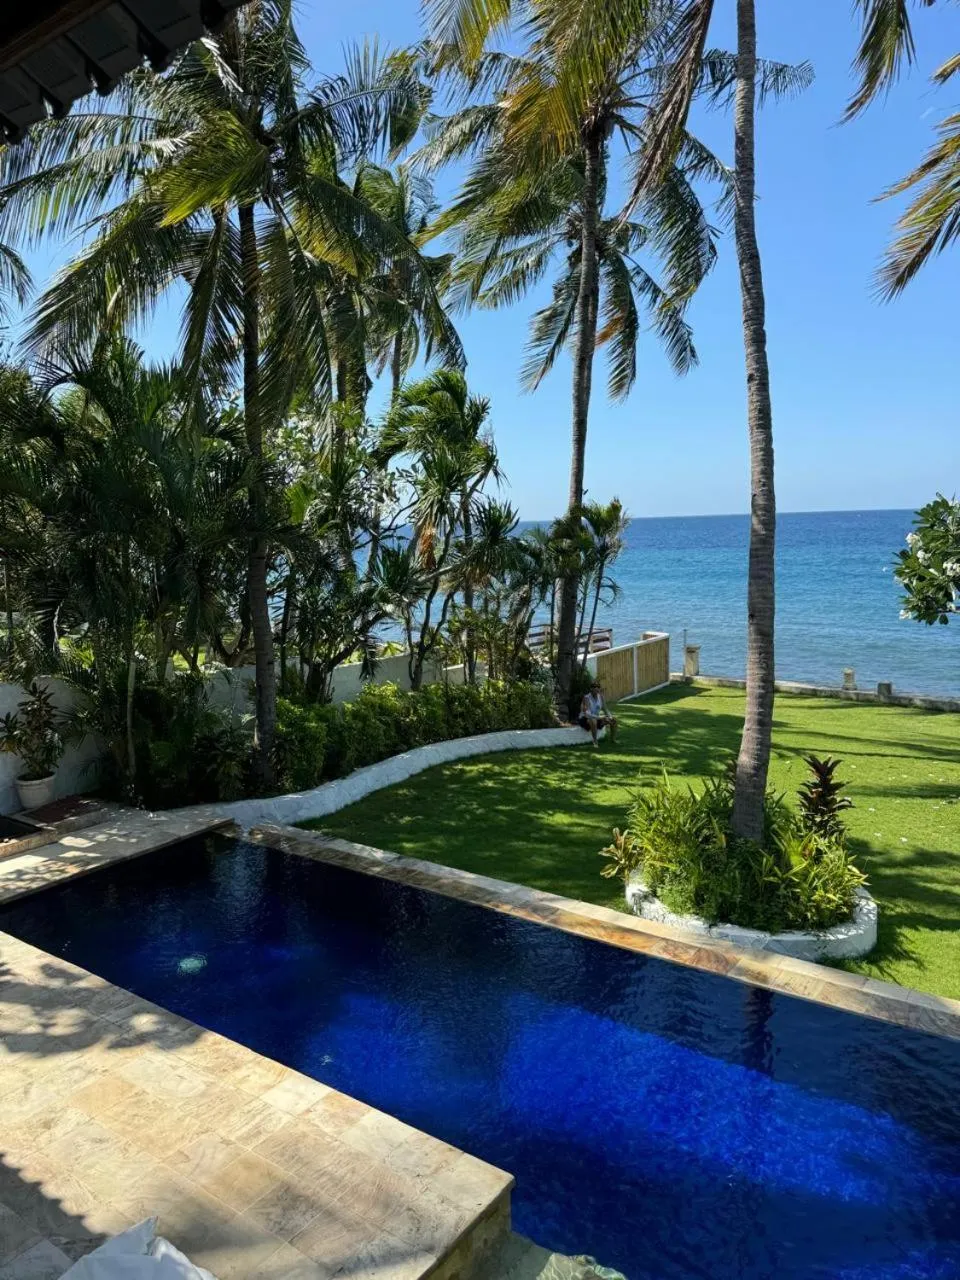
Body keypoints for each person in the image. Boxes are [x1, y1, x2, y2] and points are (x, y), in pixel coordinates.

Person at [579, 681, 618, 747]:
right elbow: (588, 714)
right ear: (591, 689)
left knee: (614, 720)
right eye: (594, 687)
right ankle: (595, 741)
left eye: (598, 687)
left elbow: (605, 709)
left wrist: (610, 717)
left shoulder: (601, 697)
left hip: (596, 718)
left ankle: (613, 740)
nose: (596, 688)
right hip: (585, 719)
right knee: (593, 721)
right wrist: (600, 717)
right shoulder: (586, 698)